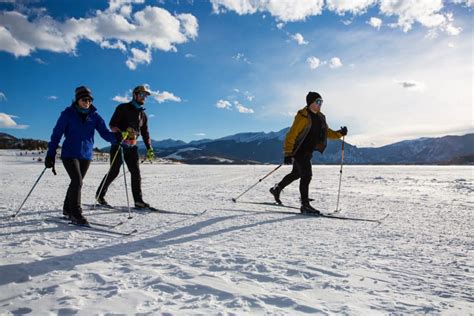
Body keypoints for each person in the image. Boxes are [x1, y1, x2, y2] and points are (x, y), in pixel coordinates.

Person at [45, 86, 121, 225]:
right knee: (77, 181)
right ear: (77, 100)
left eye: (90, 100)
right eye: (84, 99)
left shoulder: (95, 116)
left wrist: (117, 137)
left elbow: (104, 133)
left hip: (86, 155)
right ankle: (76, 214)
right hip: (69, 153)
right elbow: (57, 134)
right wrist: (50, 153)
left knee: (76, 182)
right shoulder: (67, 114)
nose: (87, 102)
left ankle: (67, 209)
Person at [270, 91, 348, 214]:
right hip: (300, 151)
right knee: (307, 175)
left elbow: (327, 132)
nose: (320, 104)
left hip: (308, 151)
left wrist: (339, 133)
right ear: (310, 103)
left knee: (296, 174)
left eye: (321, 102)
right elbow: (291, 135)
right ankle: (305, 204)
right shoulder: (303, 116)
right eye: (318, 101)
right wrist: (288, 153)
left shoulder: (321, 117)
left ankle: (277, 189)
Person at [96, 85, 154, 208]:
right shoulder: (123, 108)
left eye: (146, 96)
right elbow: (112, 124)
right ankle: (100, 195)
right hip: (119, 145)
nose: (144, 97)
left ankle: (138, 201)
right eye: (142, 94)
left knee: (136, 173)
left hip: (133, 147)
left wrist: (149, 148)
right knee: (114, 172)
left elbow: (145, 133)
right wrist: (120, 132)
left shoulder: (143, 115)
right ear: (135, 95)